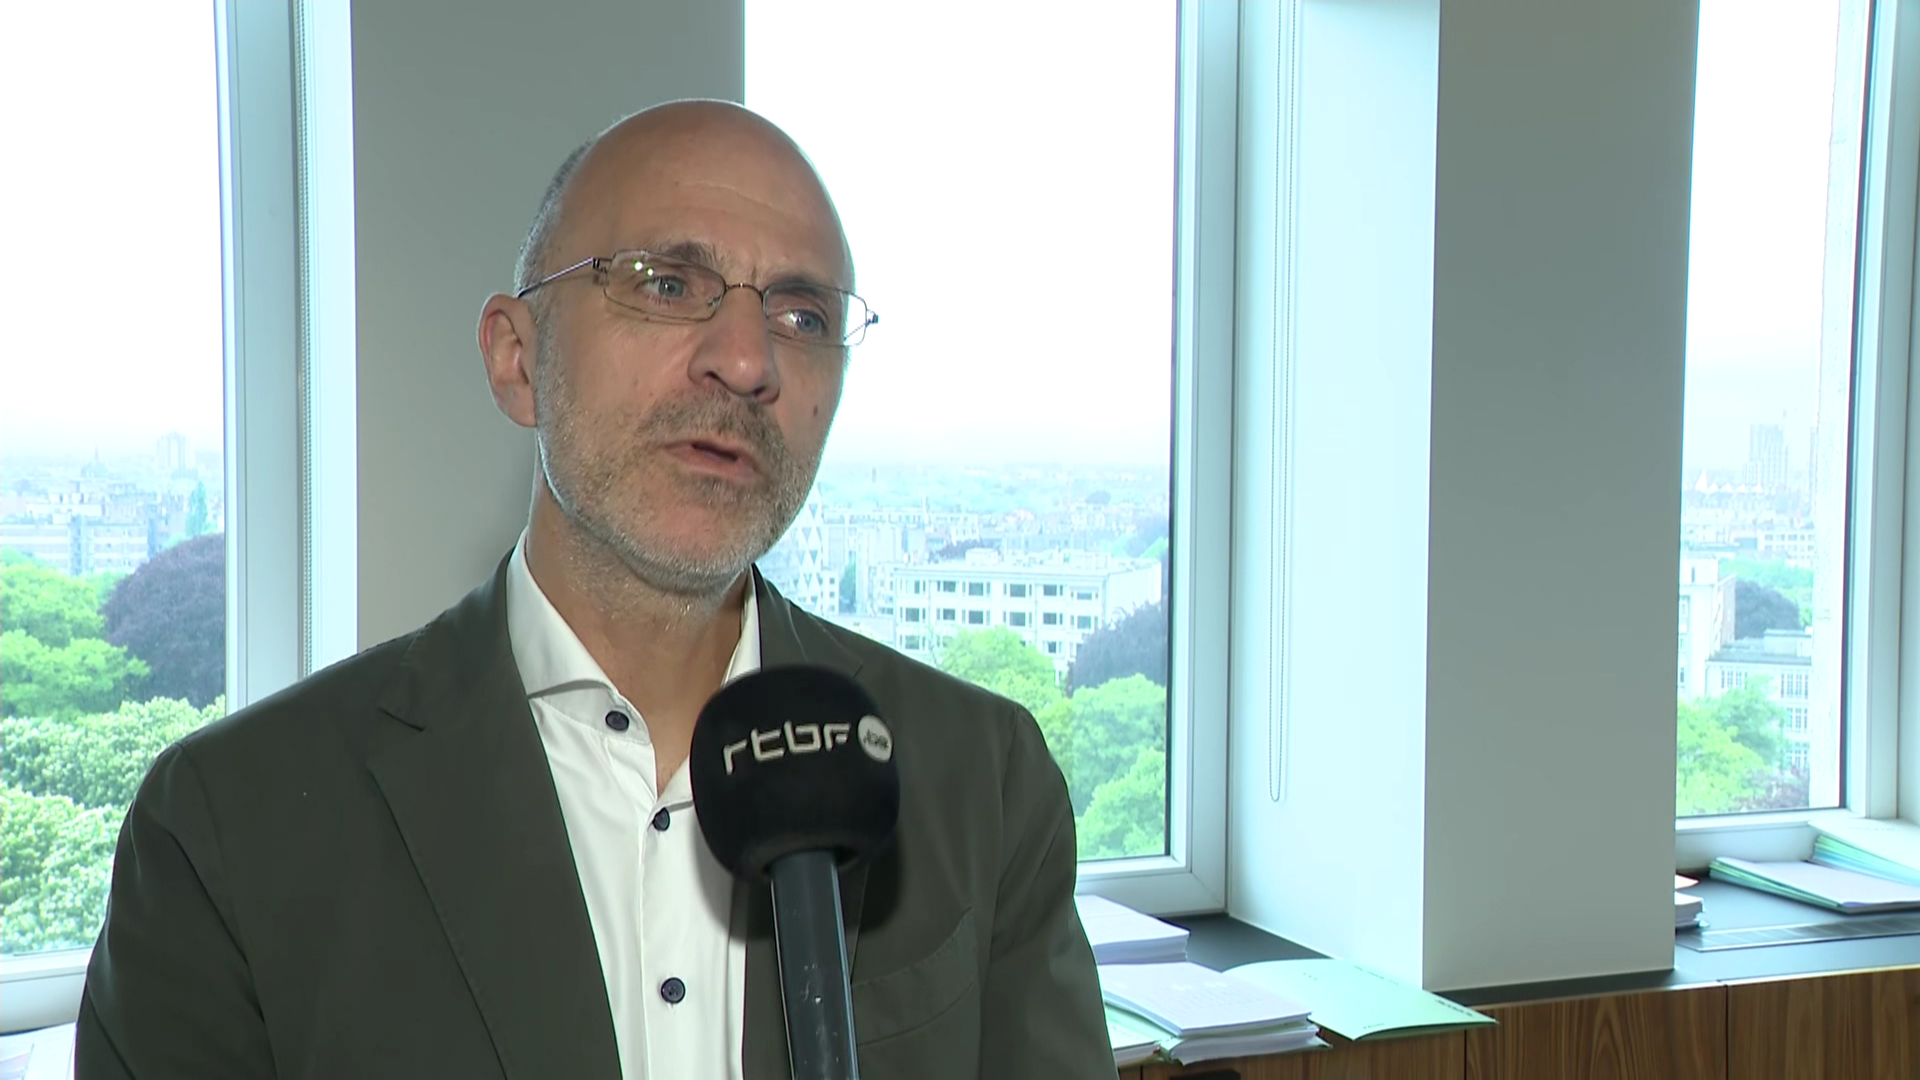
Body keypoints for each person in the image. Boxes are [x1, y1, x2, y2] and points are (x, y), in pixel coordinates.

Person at [74, 101, 1109, 1080]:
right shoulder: (229, 826)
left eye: (802, 314)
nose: (747, 359)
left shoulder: (984, 779)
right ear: (516, 360)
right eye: (667, 284)